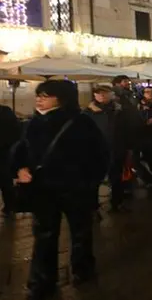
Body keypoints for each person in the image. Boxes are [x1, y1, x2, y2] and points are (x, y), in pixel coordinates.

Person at [10, 80, 109, 299]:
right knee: (44, 236)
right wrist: (20, 168)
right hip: (44, 190)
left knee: (80, 232)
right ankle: (42, 281)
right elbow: (21, 150)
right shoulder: (34, 122)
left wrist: (89, 183)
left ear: (61, 98)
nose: (39, 99)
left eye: (45, 95)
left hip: (75, 189)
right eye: (39, 95)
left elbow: (100, 155)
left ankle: (83, 269)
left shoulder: (81, 122)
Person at [0, 103, 20, 217]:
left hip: (4, 151)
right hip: (6, 152)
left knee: (5, 180)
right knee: (6, 181)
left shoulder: (4, 112)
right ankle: (10, 206)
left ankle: (10, 206)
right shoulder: (6, 112)